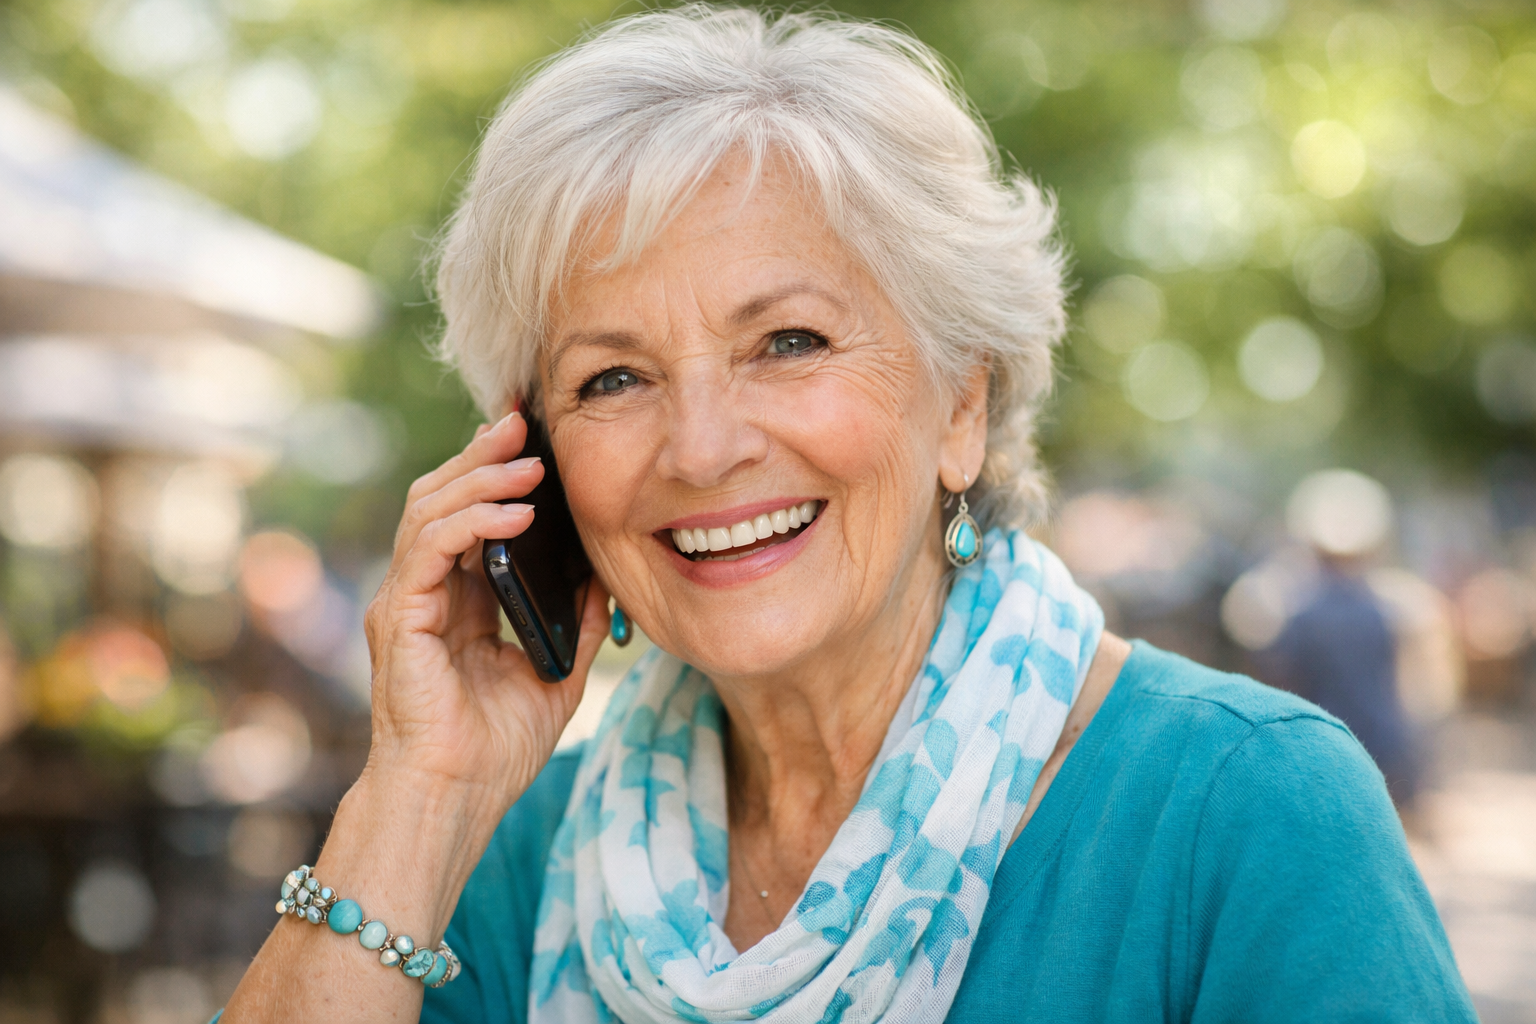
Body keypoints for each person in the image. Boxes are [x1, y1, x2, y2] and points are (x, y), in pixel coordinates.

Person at [222, 7, 1474, 1022]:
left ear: (960, 409)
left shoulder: (1245, 810)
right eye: (612, 378)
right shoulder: (518, 854)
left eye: (788, 341)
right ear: (532, 467)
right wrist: (418, 790)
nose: (705, 448)